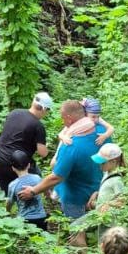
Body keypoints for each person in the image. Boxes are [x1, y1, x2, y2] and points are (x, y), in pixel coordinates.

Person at [20, 99, 102, 245]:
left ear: (69, 118)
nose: (62, 121)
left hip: (75, 196)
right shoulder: (100, 132)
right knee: (95, 226)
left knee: (77, 233)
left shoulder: (71, 146)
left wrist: (33, 191)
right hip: (97, 190)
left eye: (63, 117)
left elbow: (56, 177)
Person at [0, 93, 53, 192]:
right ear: (44, 109)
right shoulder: (38, 125)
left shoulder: (14, 112)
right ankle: (49, 196)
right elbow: (43, 153)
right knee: (34, 185)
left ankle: (8, 205)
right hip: (18, 162)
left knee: (8, 193)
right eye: (48, 110)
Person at [85, 142, 125, 232]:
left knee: (105, 243)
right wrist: (96, 194)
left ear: (114, 162)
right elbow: (108, 190)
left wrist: (109, 204)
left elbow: (122, 202)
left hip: (109, 220)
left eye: (102, 163)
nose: (100, 165)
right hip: (101, 217)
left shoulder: (117, 180)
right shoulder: (106, 173)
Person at [6, 149, 48, 230]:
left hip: (25, 219)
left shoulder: (13, 185)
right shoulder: (37, 178)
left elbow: (9, 203)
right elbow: (45, 191)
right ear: (28, 165)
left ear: (13, 168)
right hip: (41, 217)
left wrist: (7, 212)